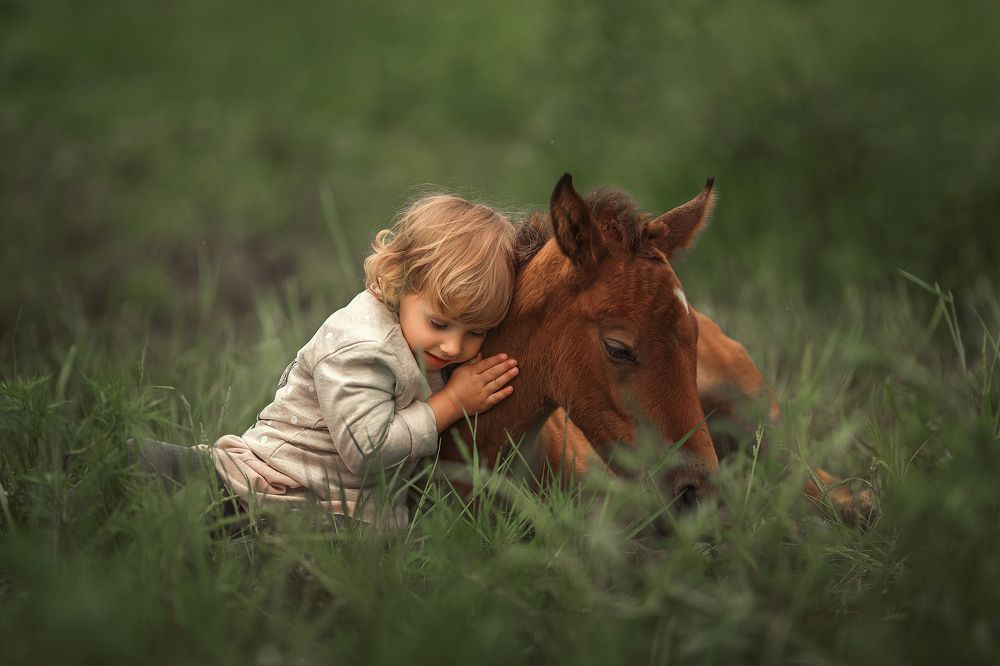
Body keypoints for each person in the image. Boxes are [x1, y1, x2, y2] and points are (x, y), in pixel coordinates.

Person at [133, 193, 520, 530]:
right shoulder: (363, 347)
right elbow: (366, 451)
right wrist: (451, 403)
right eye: (439, 323)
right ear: (398, 280)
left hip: (334, 509)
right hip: (265, 475)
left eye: (476, 332)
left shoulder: (426, 344)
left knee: (290, 553)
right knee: (153, 469)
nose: (453, 346)